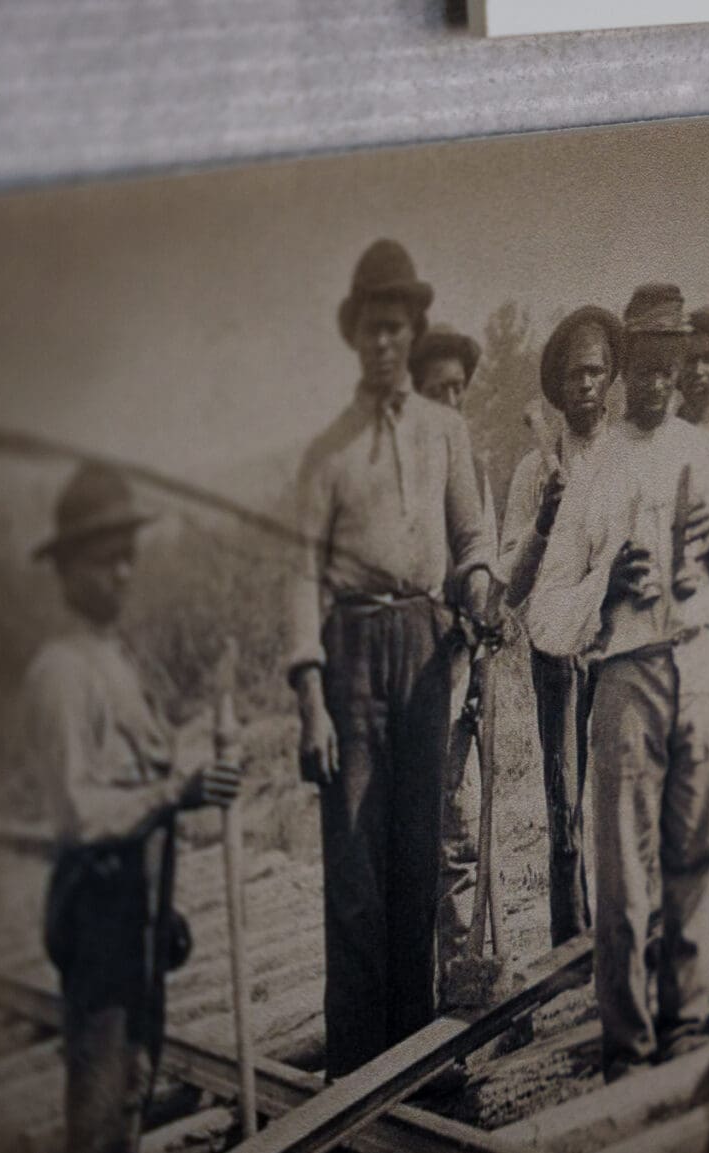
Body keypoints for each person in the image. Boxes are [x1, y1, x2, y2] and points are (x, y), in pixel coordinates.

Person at [527, 284, 709, 1078]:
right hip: (624, 675)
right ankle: (628, 1045)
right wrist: (607, 587)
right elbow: (543, 616)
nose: (658, 381)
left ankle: (686, 1023)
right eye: (646, 365)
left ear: (686, 366)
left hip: (701, 666)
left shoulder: (705, 453)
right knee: (624, 873)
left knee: (695, 855)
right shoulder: (598, 467)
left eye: (671, 365)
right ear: (627, 368)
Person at [286, 239, 497, 1078]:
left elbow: (473, 535)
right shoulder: (326, 453)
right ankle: (355, 1065)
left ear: (413, 331)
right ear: (356, 336)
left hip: (425, 645)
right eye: (370, 328)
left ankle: (412, 1057)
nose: (383, 342)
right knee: (356, 865)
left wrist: (478, 585)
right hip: (350, 657)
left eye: (396, 327)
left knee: (415, 851)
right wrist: (310, 697)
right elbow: (300, 578)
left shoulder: (447, 431)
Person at [24, 463, 243, 1153]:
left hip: (141, 913)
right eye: (101, 560)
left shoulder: (119, 659)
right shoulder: (60, 672)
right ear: (65, 573)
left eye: (127, 557)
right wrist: (173, 792)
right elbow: (79, 812)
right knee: (99, 1099)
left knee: (134, 1087)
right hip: (97, 915)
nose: (120, 573)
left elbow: (147, 763)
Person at [499, 305, 623, 945]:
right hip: (555, 661)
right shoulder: (532, 472)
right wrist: (545, 522)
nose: (585, 385)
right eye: (575, 374)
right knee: (564, 810)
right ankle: (568, 951)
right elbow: (510, 590)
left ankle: (622, 941)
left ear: (612, 379)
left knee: (620, 806)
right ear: (559, 383)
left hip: (617, 652)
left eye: (596, 371)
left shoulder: (630, 456)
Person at [408, 322, 498, 1005]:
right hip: (412, 673)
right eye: (437, 390)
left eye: (458, 390)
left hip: (465, 666)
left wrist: (481, 601)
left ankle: (465, 975)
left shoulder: (472, 470)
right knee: (426, 831)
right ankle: (425, 991)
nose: (451, 403)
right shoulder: (403, 479)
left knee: (462, 824)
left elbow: (482, 556)